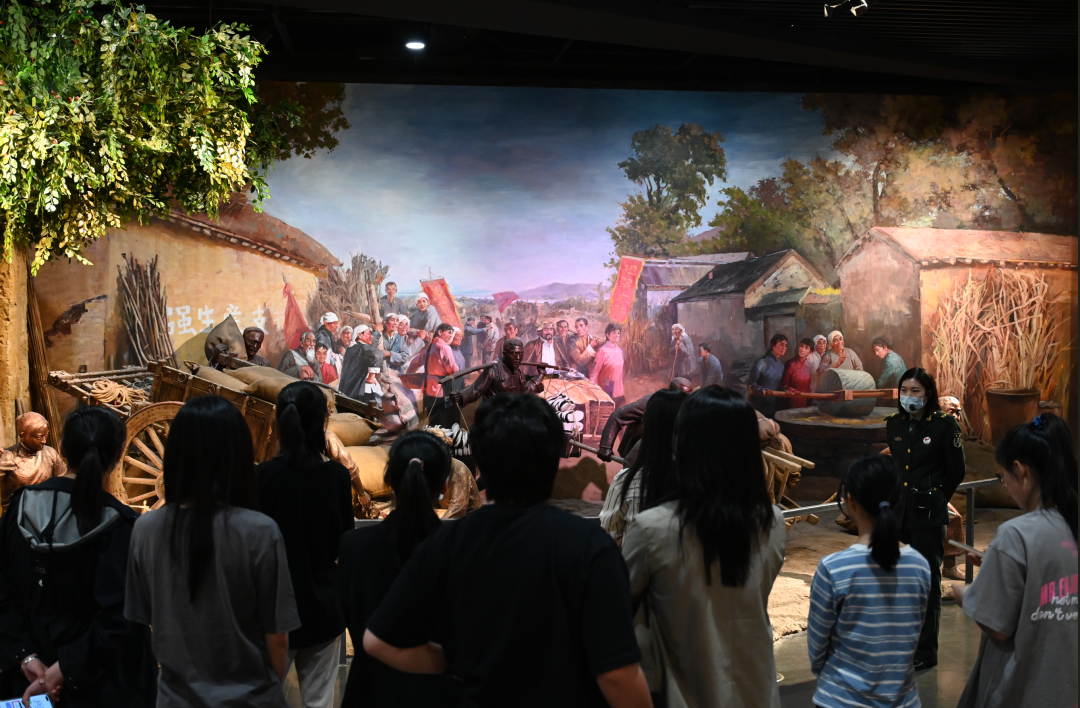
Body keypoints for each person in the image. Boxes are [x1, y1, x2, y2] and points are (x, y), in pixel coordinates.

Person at [363, 394, 650, 708]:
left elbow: (377, 642)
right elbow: (617, 676)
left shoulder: (444, 543)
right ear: (553, 458)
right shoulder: (591, 547)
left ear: (481, 460)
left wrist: (455, 661)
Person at [125, 395, 300, 707]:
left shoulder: (145, 529)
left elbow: (143, 618)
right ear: (238, 454)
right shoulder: (260, 532)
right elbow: (277, 638)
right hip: (249, 699)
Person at [622, 386, 785, 707]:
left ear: (681, 444)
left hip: (683, 695)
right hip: (755, 693)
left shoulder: (652, 529)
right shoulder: (772, 523)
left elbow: (619, 605)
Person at [0, 407, 156, 706]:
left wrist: (25, 655)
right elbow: (121, 616)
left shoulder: (18, 508)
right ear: (119, 454)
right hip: (99, 684)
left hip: (26, 680)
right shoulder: (121, 526)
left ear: (61, 448)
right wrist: (65, 668)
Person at [952, 412, 1078, 708]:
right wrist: (998, 565)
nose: (1004, 484)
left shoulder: (1016, 534)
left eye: (1002, 476)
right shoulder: (1070, 523)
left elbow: (997, 625)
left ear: (1020, 471)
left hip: (1025, 690)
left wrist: (966, 592)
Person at [338, 431, 462, 708]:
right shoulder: (460, 549)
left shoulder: (353, 546)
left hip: (369, 693)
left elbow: (350, 615)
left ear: (388, 480)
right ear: (445, 484)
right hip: (438, 696)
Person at [257, 383, 354, 708]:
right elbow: (342, 543)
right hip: (322, 608)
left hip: (270, 611)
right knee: (319, 703)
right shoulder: (337, 477)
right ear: (322, 422)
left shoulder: (263, 477)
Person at [808, 456, 931, 708]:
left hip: (841, 700)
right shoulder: (919, 565)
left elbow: (817, 647)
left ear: (850, 501)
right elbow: (911, 635)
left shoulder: (833, 568)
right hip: (903, 701)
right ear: (897, 500)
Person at [885, 367, 965, 670]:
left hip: (929, 516)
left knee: (927, 584)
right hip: (899, 515)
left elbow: (956, 471)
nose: (908, 397)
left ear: (928, 393)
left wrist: (938, 498)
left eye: (915, 391)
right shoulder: (894, 424)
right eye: (904, 391)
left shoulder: (944, 425)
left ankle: (926, 652)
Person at [599, 389, 686, 544]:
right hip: (641, 449)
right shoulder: (648, 402)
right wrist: (605, 446)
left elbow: (608, 537)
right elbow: (617, 416)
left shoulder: (625, 482)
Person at [596, 378, 692, 465]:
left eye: (688, 395)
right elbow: (617, 416)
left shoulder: (687, 407)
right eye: (682, 395)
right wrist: (605, 447)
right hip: (639, 454)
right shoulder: (651, 402)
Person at [0, 411, 66, 514]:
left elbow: (64, 482)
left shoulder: (50, 453)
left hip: (46, 512)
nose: (44, 441)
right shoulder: (8, 457)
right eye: (39, 437)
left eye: (46, 435)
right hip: (17, 514)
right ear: (22, 435)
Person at [450, 339, 545, 407]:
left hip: (512, 417)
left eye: (521, 353)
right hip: (495, 417)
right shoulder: (493, 371)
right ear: (504, 354)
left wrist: (540, 375)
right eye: (514, 354)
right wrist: (460, 396)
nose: (518, 358)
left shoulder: (518, 372)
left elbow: (524, 391)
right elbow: (475, 390)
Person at [421, 323, 460, 419]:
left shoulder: (430, 347)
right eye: (449, 332)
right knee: (443, 418)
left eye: (452, 333)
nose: (451, 335)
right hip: (441, 390)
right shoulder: (444, 347)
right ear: (440, 332)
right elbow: (453, 370)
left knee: (432, 419)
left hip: (428, 389)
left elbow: (414, 362)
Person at [340, 325, 387, 400]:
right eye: (369, 334)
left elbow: (369, 347)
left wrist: (377, 332)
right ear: (360, 335)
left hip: (348, 392)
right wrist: (371, 377)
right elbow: (378, 355)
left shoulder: (351, 349)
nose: (372, 337)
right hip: (359, 393)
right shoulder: (363, 348)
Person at [748, 333, 788, 417]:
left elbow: (777, 384)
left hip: (772, 404)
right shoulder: (762, 363)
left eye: (785, 346)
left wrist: (787, 390)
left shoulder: (781, 365)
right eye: (781, 345)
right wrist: (764, 390)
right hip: (759, 404)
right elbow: (751, 385)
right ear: (773, 345)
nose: (784, 348)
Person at [590, 323, 626, 408]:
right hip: (607, 391)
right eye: (614, 332)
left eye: (618, 333)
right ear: (608, 335)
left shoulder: (619, 351)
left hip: (619, 392)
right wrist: (595, 392)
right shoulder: (602, 351)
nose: (617, 335)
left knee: (621, 413)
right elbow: (594, 374)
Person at [781, 338, 816, 408]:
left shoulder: (810, 367)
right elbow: (783, 385)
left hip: (804, 403)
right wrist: (790, 389)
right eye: (801, 346)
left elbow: (810, 387)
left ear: (811, 352)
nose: (802, 349)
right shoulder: (791, 364)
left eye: (806, 348)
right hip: (790, 402)